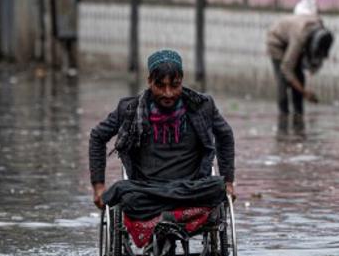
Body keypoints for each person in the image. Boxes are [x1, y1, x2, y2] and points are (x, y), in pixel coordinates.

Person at [89, 49, 235, 229]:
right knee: (120, 194)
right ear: (149, 81)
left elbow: (225, 135)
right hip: (148, 191)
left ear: (181, 81)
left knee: (217, 188)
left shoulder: (202, 106)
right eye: (161, 86)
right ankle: (172, 216)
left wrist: (228, 182)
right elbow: (97, 136)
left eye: (174, 86)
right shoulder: (129, 109)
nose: (168, 93)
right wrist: (98, 187)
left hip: (191, 189)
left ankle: (165, 216)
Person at [266, 0, 334, 132]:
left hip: (291, 37)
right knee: (283, 83)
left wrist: (313, 67)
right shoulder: (300, 37)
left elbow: (318, 53)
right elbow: (286, 68)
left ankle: (298, 118)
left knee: (299, 78)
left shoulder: (319, 27)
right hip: (276, 42)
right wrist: (305, 93)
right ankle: (283, 121)